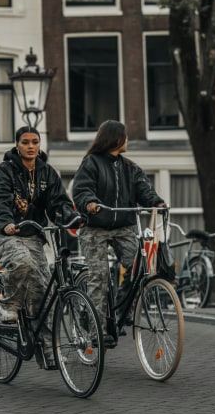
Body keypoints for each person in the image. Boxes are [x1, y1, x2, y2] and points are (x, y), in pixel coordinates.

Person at [0, 125, 81, 369]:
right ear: (17, 145)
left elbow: (58, 202)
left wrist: (68, 215)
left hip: (34, 237)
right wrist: (5, 223)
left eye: (34, 142)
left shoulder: (47, 173)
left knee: (45, 296)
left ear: (39, 145)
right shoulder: (5, 170)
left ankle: (50, 353)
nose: (30, 146)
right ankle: (8, 307)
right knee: (22, 263)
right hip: (5, 235)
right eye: (25, 142)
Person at [71, 120, 165, 347]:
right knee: (99, 277)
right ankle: (96, 328)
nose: (128, 141)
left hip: (123, 226)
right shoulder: (91, 163)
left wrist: (157, 202)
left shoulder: (130, 168)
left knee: (139, 266)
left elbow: (144, 189)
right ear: (115, 139)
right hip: (95, 227)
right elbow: (81, 189)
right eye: (125, 137)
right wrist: (90, 203)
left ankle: (123, 311)